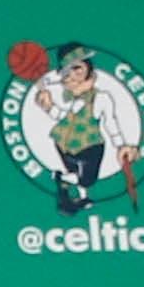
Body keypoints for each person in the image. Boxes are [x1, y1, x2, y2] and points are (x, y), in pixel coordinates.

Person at [32, 43, 110, 214]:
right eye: (67, 72)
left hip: (83, 142)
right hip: (74, 143)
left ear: (88, 68)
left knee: (82, 176)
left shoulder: (99, 97)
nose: (73, 75)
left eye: (77, 68)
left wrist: (123, 144)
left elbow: (111, 122)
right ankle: (62, 179)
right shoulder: (76, 98)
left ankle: (80, 196)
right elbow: (64, 116)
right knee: (85, 178)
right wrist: (48, 106)